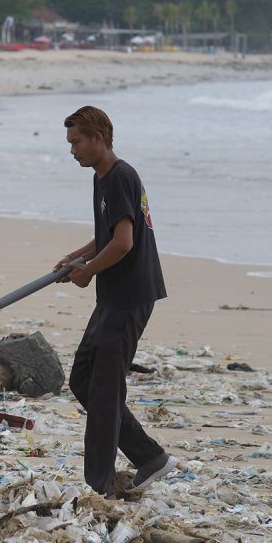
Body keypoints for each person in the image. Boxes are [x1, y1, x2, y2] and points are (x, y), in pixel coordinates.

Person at [55, 106, 176, 500]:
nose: (72, 150)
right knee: (84, 381)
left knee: (105, 390)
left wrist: (88, 269)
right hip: (112, 296)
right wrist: (81, 253)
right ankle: (151, 457)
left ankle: (100, 487)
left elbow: (125, 243)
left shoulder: (121, 176)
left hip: (130, 296)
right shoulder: (101, 178)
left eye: (77, 142)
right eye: (70, 143)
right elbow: (108, 235)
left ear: (99, 138)